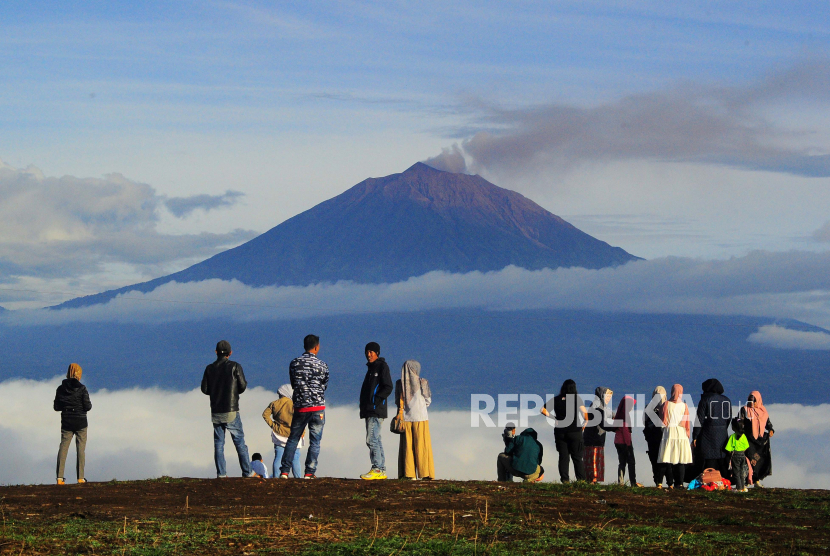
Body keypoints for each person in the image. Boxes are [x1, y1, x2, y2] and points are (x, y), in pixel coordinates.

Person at [201, 340, 255, 478]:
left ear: (216, 352)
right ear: (230, 353)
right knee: (239, 442)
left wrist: (215, 392)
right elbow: (242, 386)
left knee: (219, 444)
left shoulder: (209, 368)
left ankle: (221, 473)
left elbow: (205, 389)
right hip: (231, 410)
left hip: (216, 411)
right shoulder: (235, 366)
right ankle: (247, 472)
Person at [279, 335, 329, 479]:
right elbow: (324, 385)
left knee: (293, 439)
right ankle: (309, 472)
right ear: (316, 347)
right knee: (315, 441)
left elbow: (293, 384)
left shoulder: (294, 363)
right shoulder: (323, 365)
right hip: (318, 407)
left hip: (301, 406)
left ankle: (284, 471)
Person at [359, 342, 393, 480]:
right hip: (370, 409)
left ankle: (377, 468)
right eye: (367, 352)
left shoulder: (381, 366)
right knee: (376, 439)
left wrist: (376, 400)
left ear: (377, 353)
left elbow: (388, 386)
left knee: (372, 439)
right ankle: (381, 469)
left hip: (375, 409)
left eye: (371, 352)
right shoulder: (371, 368)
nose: (368, 354)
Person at [541, 379, 587, 483]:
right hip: (575, 431)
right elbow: (585, 415)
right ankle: (581, 480)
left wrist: (554, 418)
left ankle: (565, 479)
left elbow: (542, 410)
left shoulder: (556, 399)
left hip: (560, 431)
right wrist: (584, 424)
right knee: (577, 457)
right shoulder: (576, 399)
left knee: (563, 457)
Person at [395, 360, 435, 480]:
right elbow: (428, 401)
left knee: (407, 447)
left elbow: (398, 402)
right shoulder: (423, 382)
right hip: (421, 418)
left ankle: (409, 474)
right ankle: (425, 473)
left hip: (406, 419)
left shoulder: (399, 384)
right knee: (422, 446)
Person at [54, 363, 92, 485]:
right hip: (80, 421)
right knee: (81, 449)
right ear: (79, 374)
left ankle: (59, 478)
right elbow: (88, 406)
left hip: (66, 421)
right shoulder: (82, 388)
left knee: (63, 448)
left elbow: (56, 407)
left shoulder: (61, 388)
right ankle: (80, 478)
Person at [691, 378, 732, 479]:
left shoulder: (705, 400)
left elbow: (699, 420)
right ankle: (724, 481)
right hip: (722, 433)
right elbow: (729, 418)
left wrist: (695, 436)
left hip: (707, 435)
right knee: (721, 459)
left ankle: (709, 480)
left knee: (708, 460)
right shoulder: (726, 400)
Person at [262, 383, 303, 478]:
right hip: (295, 434)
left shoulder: (274, 403)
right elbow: (302, 417)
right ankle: (298, 478)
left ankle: (276, 477)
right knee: (295, 458)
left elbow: (265, 415)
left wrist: (273, 425)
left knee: (278, 457)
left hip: (279, 434)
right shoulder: (295, 404)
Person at [658, 384, 693, 488]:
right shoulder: (684, 406)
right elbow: (686, 422)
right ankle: (680, 483)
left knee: (666, 457)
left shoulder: (666, 404)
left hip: (669, 432)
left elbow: (662, 419)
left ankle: (664, 483)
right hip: (681, 433)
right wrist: (687, 433)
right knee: (680, 459)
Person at [738, 390, 774, 487]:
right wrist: (739, 428)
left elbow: (767, 423)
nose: (751, 403)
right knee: (748, 460)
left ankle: (756, 480)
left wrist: (771, 430)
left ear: (758, 401)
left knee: (759, 461)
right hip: (748, 440)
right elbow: (739, 420)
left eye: (754, 401)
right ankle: (746, 481)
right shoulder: (744, 410)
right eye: (750, 401)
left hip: (760, 441)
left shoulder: (763, 411)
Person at [582, 387, 613, 484]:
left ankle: (592, 479)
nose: (608, 398)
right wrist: (615, 428)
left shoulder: (602, 406)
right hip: (593, 438)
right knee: (593, 459)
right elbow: (601, 421)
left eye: (610, 397)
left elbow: (611, 414)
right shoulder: (597, 405)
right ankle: (592, 478)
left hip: (597, 438)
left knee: (595, 459)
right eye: (607, 396)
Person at [613, 396, 642, 487]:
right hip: (625, 443)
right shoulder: (625, 416)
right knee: (631, 462)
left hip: (618, 442)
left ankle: (620, 482)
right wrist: (629, 445)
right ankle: (633, 482)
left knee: (622, 462)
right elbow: (625, 432)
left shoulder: (620, 414)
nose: (632, 407)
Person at [643, 386, 668, 487]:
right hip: (661, 437)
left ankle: (658, 480)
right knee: (663, 459)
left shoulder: (648, 407)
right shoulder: (667, 406)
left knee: (655, 460)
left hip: (651, 438)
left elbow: (644, 422)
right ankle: (665, 482)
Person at [725, 418, 750, 492]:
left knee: (736, 472)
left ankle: (739, 488)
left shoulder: (732, 436)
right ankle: (743, 487)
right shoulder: (744, 436)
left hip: (735, 455)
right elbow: (746, 447)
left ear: (733, 428)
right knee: (742, 471)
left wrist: (732, 453)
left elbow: (728, 449)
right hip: (743, 455)